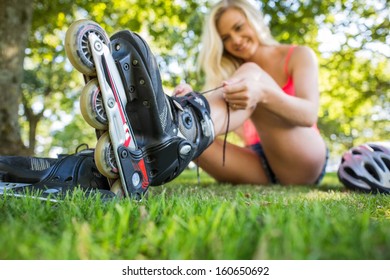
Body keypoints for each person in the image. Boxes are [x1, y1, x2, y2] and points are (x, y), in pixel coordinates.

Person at [173, 0, 328, 185]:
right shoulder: (233, 73)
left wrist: (262, 93)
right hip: (258, 161)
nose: (236, 40)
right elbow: (223, 127)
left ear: (254, 19)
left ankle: (191, 118)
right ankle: (175, 125)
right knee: (185, 140)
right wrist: (188, 99)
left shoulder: (299, 55)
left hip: (302, 155)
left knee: (252, 72)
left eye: (238, 27)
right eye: (226, 38)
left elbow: (309, 115)